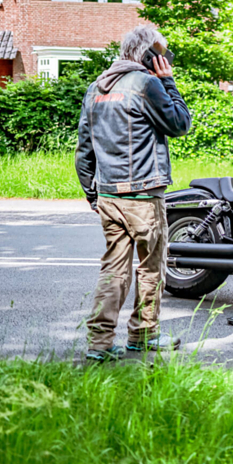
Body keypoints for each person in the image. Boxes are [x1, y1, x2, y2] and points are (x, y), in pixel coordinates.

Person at [75, 26, 192, 364]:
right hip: (143, 194)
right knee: (150, 268)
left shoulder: (95, 88)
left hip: (109, 194)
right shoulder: (147, 84)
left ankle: (99, 342)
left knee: (113, 268)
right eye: (163, 53)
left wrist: (92, 194)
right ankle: (143, 334)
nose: (167, 60)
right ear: (150, 55)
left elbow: (84, 150)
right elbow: (180, 124)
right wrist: (169, 82)